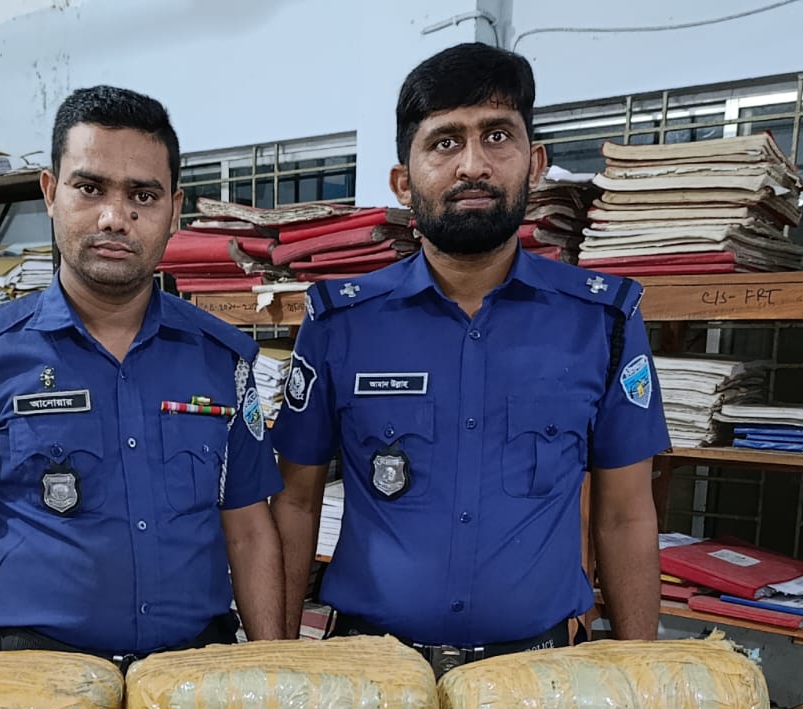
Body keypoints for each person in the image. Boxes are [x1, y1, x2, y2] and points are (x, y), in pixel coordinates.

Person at [270, 44, 670, 674]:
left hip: (537, 676)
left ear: (535, 164)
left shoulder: (602, 321)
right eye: (445, 142)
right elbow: (295, 503)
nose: (473, 164)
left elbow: (624, 515)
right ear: (403, 182)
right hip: (373, 676)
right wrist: (277, 661)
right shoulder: (340, 323)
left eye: (497, 136)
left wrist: (641, 676)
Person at [0, 85, 285, 664]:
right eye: (90, 188)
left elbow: (251, 532)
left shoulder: (222, 359)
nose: (115, 218)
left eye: (143, 195)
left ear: (174, 210)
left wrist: (273, 673)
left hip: (195, 675)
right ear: (50, 192)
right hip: (41, 678)